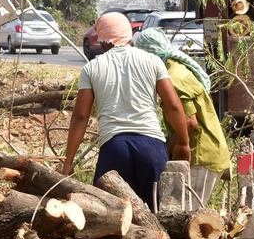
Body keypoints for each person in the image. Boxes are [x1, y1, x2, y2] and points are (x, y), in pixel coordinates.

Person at [63, 13, 191, 210]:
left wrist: (68, 161)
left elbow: (81, 117)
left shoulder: (92, 68)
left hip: (114, 148)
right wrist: (183, 142)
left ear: (101, 39)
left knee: (112, 216)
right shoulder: (153, 61)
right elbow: (173, 105)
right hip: (152, 148)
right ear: (129, 35)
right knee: (157, 215)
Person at [134, 28, 232, 208]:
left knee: (188, 216)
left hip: (201, 154)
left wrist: (167, 149)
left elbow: (189, 122)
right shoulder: (175, 69)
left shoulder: (173, 78)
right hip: (204, 153)